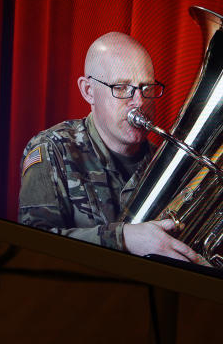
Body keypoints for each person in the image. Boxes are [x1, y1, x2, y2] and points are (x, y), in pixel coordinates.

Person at [18, 32, 206, 263]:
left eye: (146, 88)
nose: (139, 102)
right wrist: (123, 239)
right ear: (88, 91)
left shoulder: (166, 163)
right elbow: (32, 245)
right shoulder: (51, 149)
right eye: (121, 87)